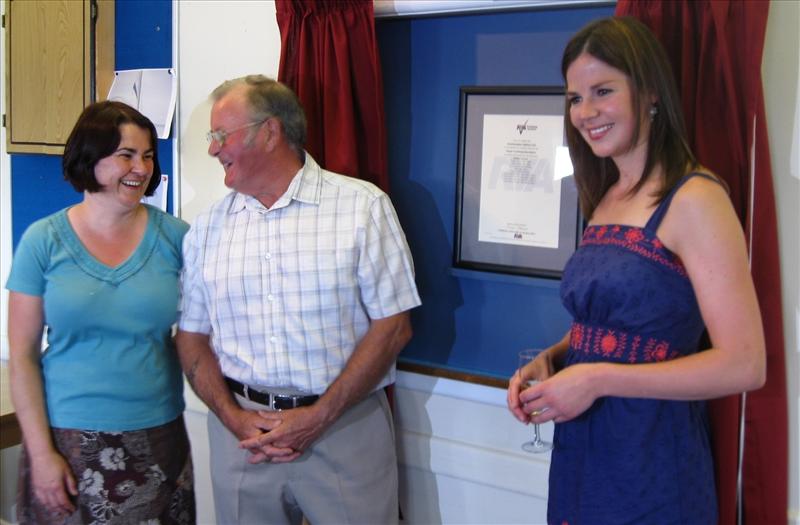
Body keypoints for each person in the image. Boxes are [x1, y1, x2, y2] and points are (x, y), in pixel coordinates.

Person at [507, 16, 766, 524]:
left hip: (652, 451)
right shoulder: (605, 197)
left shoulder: (696, 199)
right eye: (575, 98)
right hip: (584, 444)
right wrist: (555, 359)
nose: (585, 112)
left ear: (649, 92)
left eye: (602, 91)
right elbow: (614, 325)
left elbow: (745, 363)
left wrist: (597, 379)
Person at [176, 75, 421, 525]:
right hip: (242, 439)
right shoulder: (207, 228)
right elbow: (190, 338)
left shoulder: (362, 208)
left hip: (344, 430)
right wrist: (232, 417)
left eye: (220, 135)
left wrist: (319, 417)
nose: (212, 149)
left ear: (270, 132)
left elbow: (394, 327)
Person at [6, 101, 195, 524]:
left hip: (158, 435)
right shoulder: (44, 240)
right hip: (66, 439)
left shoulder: (176, 237)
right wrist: (40, 455)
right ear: (90, 158)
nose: (141, 168)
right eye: (126, 155)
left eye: (147, 156)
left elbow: (208, 327)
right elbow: (21, 358)